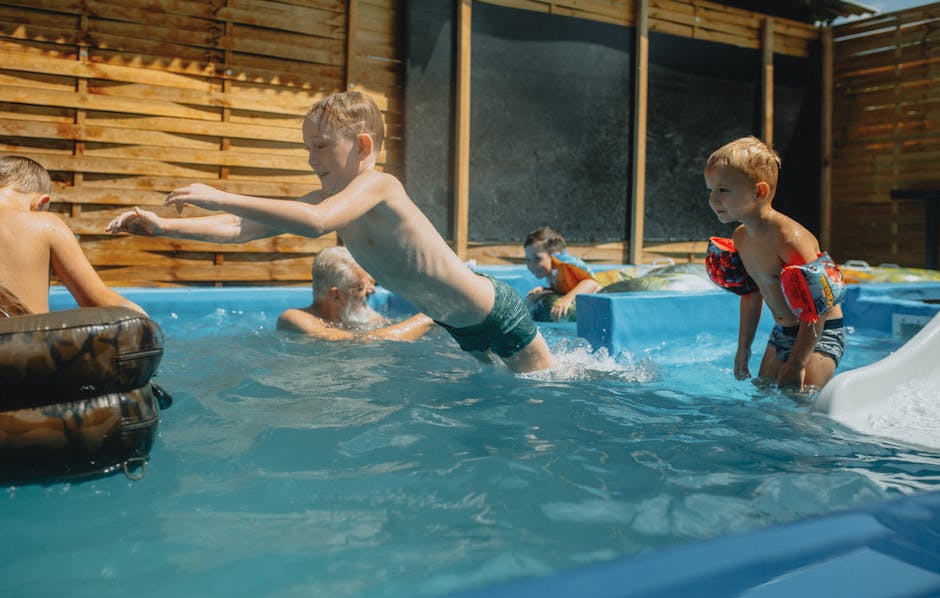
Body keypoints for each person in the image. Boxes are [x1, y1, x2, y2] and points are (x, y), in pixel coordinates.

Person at [108, 91, 553, 371]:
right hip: (457, 324)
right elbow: (239, 228)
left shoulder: (380, 186)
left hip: (494, 310)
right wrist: (166, 225)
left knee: (545, 393)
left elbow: (317, 224)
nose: (310, 159)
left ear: (362, 146)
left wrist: (219, 194)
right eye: (308, 148)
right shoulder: (335, 199)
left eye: (320, 147)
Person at [704, 136, 844, 391]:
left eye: (723, 190)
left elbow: (819, 306)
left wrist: (798, 362)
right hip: (782, 333)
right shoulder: (742, 238)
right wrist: (743, 349)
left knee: (799, 401)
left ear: (759, 192)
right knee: (763, 397)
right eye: (710, 190)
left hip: (819, 334)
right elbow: (751, 295)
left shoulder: (789, 239)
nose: (713, 200)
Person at [0, 155, 146, 316]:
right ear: (41, 203)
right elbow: (100, 302)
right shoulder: (45, 224)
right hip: (23, 339)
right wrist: (147, 325)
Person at [278, 246, 434, 340]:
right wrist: (430, 317)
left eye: (370, 283)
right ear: (337, 296)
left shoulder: (360, 313)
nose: (372, 290)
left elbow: (383, 331)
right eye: (361, 287)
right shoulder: (294, 319)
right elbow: (359, 341)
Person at [523, 226, 599, 321]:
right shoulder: (551, 273)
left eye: (537, 258)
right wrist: (547, 289)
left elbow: (591, 283)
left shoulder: (563, 266)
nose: (530, 264)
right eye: (528, 259)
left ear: (554, 255)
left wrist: (566, 300)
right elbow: (565, 287)